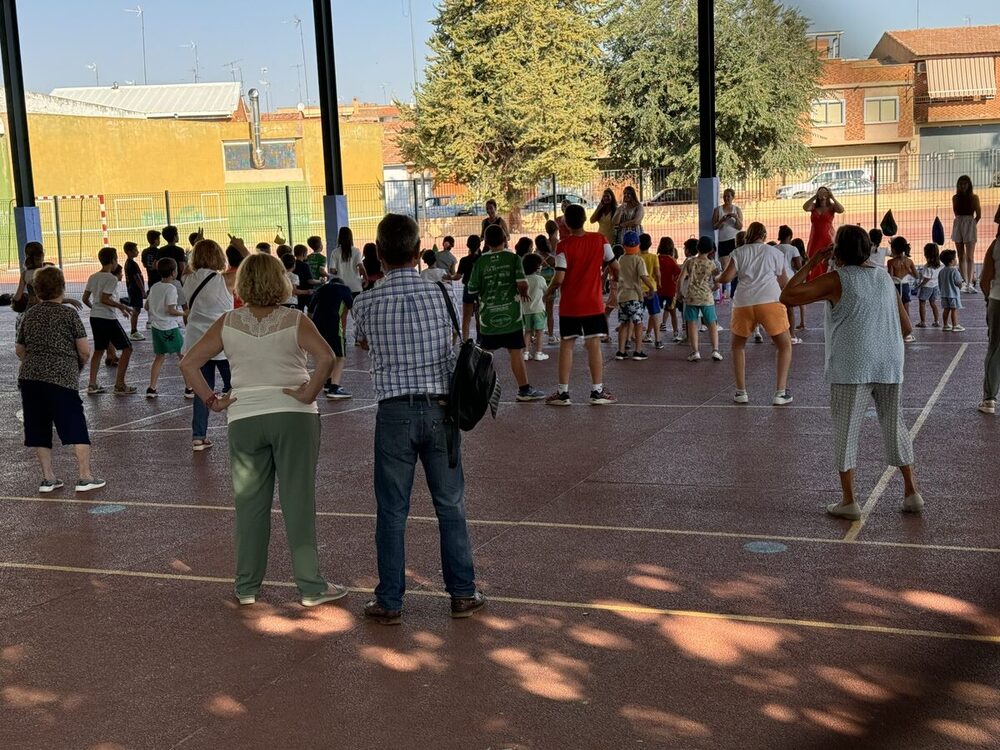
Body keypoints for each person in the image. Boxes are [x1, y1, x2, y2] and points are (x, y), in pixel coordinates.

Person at [181, 253, 345, 608]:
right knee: (298, 502)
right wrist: (308, 392)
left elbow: (189, 363)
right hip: (294, 414)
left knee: (249, 505)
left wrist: (213, 401)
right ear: (280, 281)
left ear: (242, 285)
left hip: (244, 417)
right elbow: (327, 357)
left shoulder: (227, 322)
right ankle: (310, 586)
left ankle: (247, 586)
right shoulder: (295, 319)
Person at [353, 213, 485, 625]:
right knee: (450, 504)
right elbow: (457, 342)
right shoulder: (445, 292)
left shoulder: (364, 302)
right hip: (441, 409)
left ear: (379, 254)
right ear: (417, 251)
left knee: (392, 510)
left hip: (393, 412)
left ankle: (390, 600)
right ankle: (462, 593)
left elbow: (363, 343)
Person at [780, 225, 922, 520]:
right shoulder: (884, 277)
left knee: (846, 432)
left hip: (851, 365)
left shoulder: (836, 279)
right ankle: (912, 492)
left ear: (837, 251)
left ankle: (849, 501)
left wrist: (812, 260)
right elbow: (906, 326)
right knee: (895, 425)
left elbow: (788, 295)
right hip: (889, 361)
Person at [16, 266, 105, 493]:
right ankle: (84, 476)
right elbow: (84, 350)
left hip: (30, 378)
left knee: (37, 425)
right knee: (74, 422)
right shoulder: (68, 314)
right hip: (62, 377)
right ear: (62, 288)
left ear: (37, 289)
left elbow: (20, 349)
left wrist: (36, 362)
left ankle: (48, 478)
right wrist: (76, 366)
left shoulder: (29, 315)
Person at [544, 203, 619, 406]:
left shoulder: (563, 246)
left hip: (570, 305)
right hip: (593, 304)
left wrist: (548, 292)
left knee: (566, 346)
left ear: (566, 223)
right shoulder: (600, 239)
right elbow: (615, 266)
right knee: (594, 346)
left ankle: (563, 392)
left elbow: (559, 278)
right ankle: (597, 391)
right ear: (585, 219)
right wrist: (616, 279)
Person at [467, 224, 546, 401]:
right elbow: (522, 283)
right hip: (512, 317)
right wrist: (522, 292)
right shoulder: (513, 259)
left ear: (486, 242)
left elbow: (472, 289)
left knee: (486, 354)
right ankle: (524, 390)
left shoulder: (480, 262)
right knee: (516, 352)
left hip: (488, 318)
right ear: (505, 239)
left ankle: (477, 391)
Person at [717, 223, 793, 406]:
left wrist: (716, 278)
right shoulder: (775, 253)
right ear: (764, 235)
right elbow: (784, 282)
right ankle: (780, 392)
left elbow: (727, 278)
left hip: (743, 302)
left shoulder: (739, 252)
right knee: (784, 345)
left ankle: (741, 392)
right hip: (770, 301)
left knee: (738, 346)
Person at [183, 239, 234, 451]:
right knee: (237, 386)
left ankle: (198, 436)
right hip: (221, 339)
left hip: (196, 340)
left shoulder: (186, 278)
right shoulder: (225, 279)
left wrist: (194, 247)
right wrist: (238, 246)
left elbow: (186, 267)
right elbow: (250, 266)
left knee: (202, 390)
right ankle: (241, 428)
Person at [83, 247, 135, 396]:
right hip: (108, 318)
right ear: (113, 260)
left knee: (99, 350)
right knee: (127, 348)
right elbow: (105, 299)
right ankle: (119, 384)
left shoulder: (93, 277)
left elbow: (85, 298)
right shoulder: (111, 278)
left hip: (95, 317)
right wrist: (121, 306)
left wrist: (95, 308)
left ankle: (92, 384)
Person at [308, 270, 354, 400]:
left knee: (327, 352)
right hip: (333, 323)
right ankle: (334, 387)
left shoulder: (321, 289)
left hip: (317, 324)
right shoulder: (345, 289)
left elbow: (310, 311)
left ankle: (328, 382)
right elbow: (348, 309)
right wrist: (344, 331)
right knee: (340, 356)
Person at [678, 236, 723, 363]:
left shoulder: (689, 262)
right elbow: (718, 282)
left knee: (692, 324)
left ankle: (695, 352)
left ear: (697, 248)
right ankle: (715, 350)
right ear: (711, 250)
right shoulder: (711, 264)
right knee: (711, 323)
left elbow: (680, 279)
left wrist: (680, 293)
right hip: (706, 298)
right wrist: (712, 289)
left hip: (691, 297)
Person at [145, 258, 185, 398]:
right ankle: (190, 388)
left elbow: (146, 306)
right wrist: (184, 313)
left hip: (156, 327)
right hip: (169, 327)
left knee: (159, 357)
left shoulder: (155, 287)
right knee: (183, 356)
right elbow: (171, 310)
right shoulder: (171, 288)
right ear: (174, 272)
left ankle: (152, 388)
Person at [614, 231, 654, 361]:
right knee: (638, 323)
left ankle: (620, 351)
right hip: (634, 296)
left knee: (624, 323)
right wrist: (651, 287)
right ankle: (638, 350)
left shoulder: (621, 259)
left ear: (623, 245)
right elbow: (643, 276)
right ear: (638, 245)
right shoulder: (638, 260)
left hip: (622, 297)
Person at [803, 187, 844, 281]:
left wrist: (832, 197)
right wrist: (814, 196)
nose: (822, 195)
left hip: (827, 238)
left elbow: (841, 210)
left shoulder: (832, 206)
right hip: (814, 239)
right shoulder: (813, 207)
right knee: (813, 260)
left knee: (827, 260)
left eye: (825, 192)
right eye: (820, 192)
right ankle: (813, 282)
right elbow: (805, 207)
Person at [979, 237, 1000, 414]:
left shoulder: (996, 244)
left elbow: (985, 279)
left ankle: (989, 400)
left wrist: (988, 298)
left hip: (998, 299)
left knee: (994, 349)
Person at [952, 175, 982, 291]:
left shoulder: (974, 197)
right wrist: (961, 222)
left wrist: (972, 224)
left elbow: (978, 215)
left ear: (969, 185)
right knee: (960, 255)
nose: (963, 186)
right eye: (961, 184)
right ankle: (964, 282)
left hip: (970, 223)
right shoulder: (955, 197)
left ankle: (970, 282)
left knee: (970, 256)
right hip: (958, 223)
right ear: (958, 185)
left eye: (965, 183)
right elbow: (955, 212)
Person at [775, 226, 803, 345]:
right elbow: (798, 266)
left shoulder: (774, 248)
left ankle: (778, 335)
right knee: (789, 308)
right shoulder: (793, 249)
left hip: (776, 279)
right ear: (790, 236)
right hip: (789, 279)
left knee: (778, 308)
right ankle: (791, 335)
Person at [713, 189, 744, 294]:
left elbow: (740, 227)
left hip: (734, 240)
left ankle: (734, 290)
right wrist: (722, 220)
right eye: (725, 196)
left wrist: (736, 218)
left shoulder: (737, 210)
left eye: (728, 196)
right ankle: (726, 289)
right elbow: (714, 226)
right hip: (723, 240)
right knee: (725, 266)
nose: (726, 198)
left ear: (733, 197)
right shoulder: (718, 210)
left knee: (736, 264)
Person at [888, 237, 918, 343]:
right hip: (905, 287)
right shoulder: (909, 261)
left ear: (894, 249)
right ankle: (907, 333)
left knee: (895, 309)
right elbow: (916, 275)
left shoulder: (891, 262)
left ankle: (896, 331)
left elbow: (890, 277)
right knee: (906, 309)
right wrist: (907, 271)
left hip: (895, 287)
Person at [521, 253, 549, 361]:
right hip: (538, 310)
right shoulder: (540, 279)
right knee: (539, 332)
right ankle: (539, 352)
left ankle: (526, 353)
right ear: (536, 266)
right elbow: (546, 291)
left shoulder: (523, 280)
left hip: (526, 310)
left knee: (527, 331)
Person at [638, 233, 663, 348]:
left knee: (637, 316)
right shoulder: (654, 257)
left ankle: (631, 339)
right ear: (651, 244)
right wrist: (659, 282)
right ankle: (657, 340)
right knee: (654, 314)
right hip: (651, 289)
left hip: (638, 290)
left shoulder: (636, 257)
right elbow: (657, 273)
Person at [456, 235, 482, 341]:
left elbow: (457, 276)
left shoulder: (464, 260)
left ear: (467, 245)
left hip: (468, 289)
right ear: (479, 245)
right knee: (480, 316)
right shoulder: (483, 259)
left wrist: (449, 276)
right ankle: (480, 339)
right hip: (481, 290)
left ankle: (465, 340)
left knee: (466, 318)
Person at [656, 237, 682, 342]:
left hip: (658, 290)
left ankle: (652, 334)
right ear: (671, 248)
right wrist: (674, 280)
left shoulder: (656, 259)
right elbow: (678, 272)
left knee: (655, 313)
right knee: (673, 313)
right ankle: (676, 333)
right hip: (671, 290)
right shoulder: (671, 260)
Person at [535, 234, 558, 343]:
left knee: (537, 311)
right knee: (550, 312)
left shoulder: (535, 257)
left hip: (537, 288)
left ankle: (535, 335)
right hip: (549, 287)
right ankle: (550, 335)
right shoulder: (552, 258)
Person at [915, 243, 942, 328]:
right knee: (933, 303)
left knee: (922, 303)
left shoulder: (927, 266)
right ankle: (936, 321)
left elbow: (927, 278)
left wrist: (919, 286)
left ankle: (923, 322)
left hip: (927, 287)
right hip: (935, 286)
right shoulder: (939, 265)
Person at [938, 249, 965, 333]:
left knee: (946, 309)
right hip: (953, 294)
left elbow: (939, 282)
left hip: (944, 294)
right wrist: (961, 286)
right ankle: (955, 325)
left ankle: (945, 325)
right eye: (955, 258)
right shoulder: (954, 271)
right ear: (952, 261)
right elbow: (958, 282)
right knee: (954, 309)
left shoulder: (941, 271)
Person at [123, 242, 146, 341]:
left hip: (132, 289)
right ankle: (133, 331)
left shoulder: (128, 263)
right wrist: (142, 291)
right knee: (136, 311)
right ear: (129, 252)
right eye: (135, 250)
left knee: (136, 310)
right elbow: (137, 278)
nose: (137, 251)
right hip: (135, 290)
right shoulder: (132, 264)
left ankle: (134, 330)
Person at [292, 245, 317, 309]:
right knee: (312, 310)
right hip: (307, 292)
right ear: (304, 254)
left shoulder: (293, 264)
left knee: (300, 310)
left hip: (297, 292)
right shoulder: (305, 265)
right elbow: (310, 281)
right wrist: (320, 281)